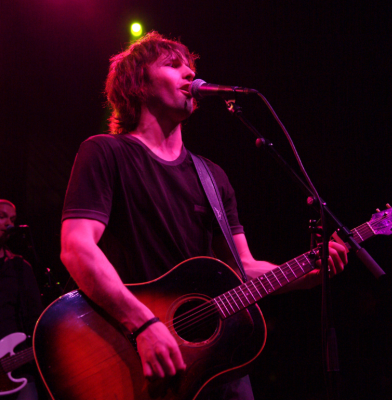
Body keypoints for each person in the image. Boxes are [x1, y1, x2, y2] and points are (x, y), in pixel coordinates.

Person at [60, 31, 347, 399]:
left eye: (191, 67)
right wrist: (143, 323)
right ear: (139, 83)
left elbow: (244, 268)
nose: (189, 74)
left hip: (216, 365)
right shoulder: (105, 153)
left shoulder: (213, 177)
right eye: (174, 65)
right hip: (128, 350)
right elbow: (76, 248)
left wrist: (304, 274)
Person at [0, 200, 43, 400]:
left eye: (13, 219)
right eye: (2, 216)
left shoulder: (20, 268)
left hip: (17, 369)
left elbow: (36, 318)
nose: (9, 223)